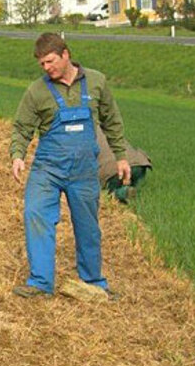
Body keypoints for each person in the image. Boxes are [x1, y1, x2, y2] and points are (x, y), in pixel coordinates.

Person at [9, 33, 131, 299]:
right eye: (41, 64)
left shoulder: (97, 82)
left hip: (84, 170)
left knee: (88, 226)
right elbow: (22, 128)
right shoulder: (37, 91)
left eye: (50, 61)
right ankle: (41, 283)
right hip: (47, 169)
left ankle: (93, 282)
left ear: (65, 54)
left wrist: (121, 156)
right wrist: (18, 155)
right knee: (36, 214)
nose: (46, 68)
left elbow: (112, 121)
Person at [96, 128, 151, 204]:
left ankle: (122, 192)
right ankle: (133, 189)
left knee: (108, 192)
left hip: (114, 169)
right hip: (138, 162)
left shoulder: (81, 135)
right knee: (133, 179)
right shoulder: (104, 125)